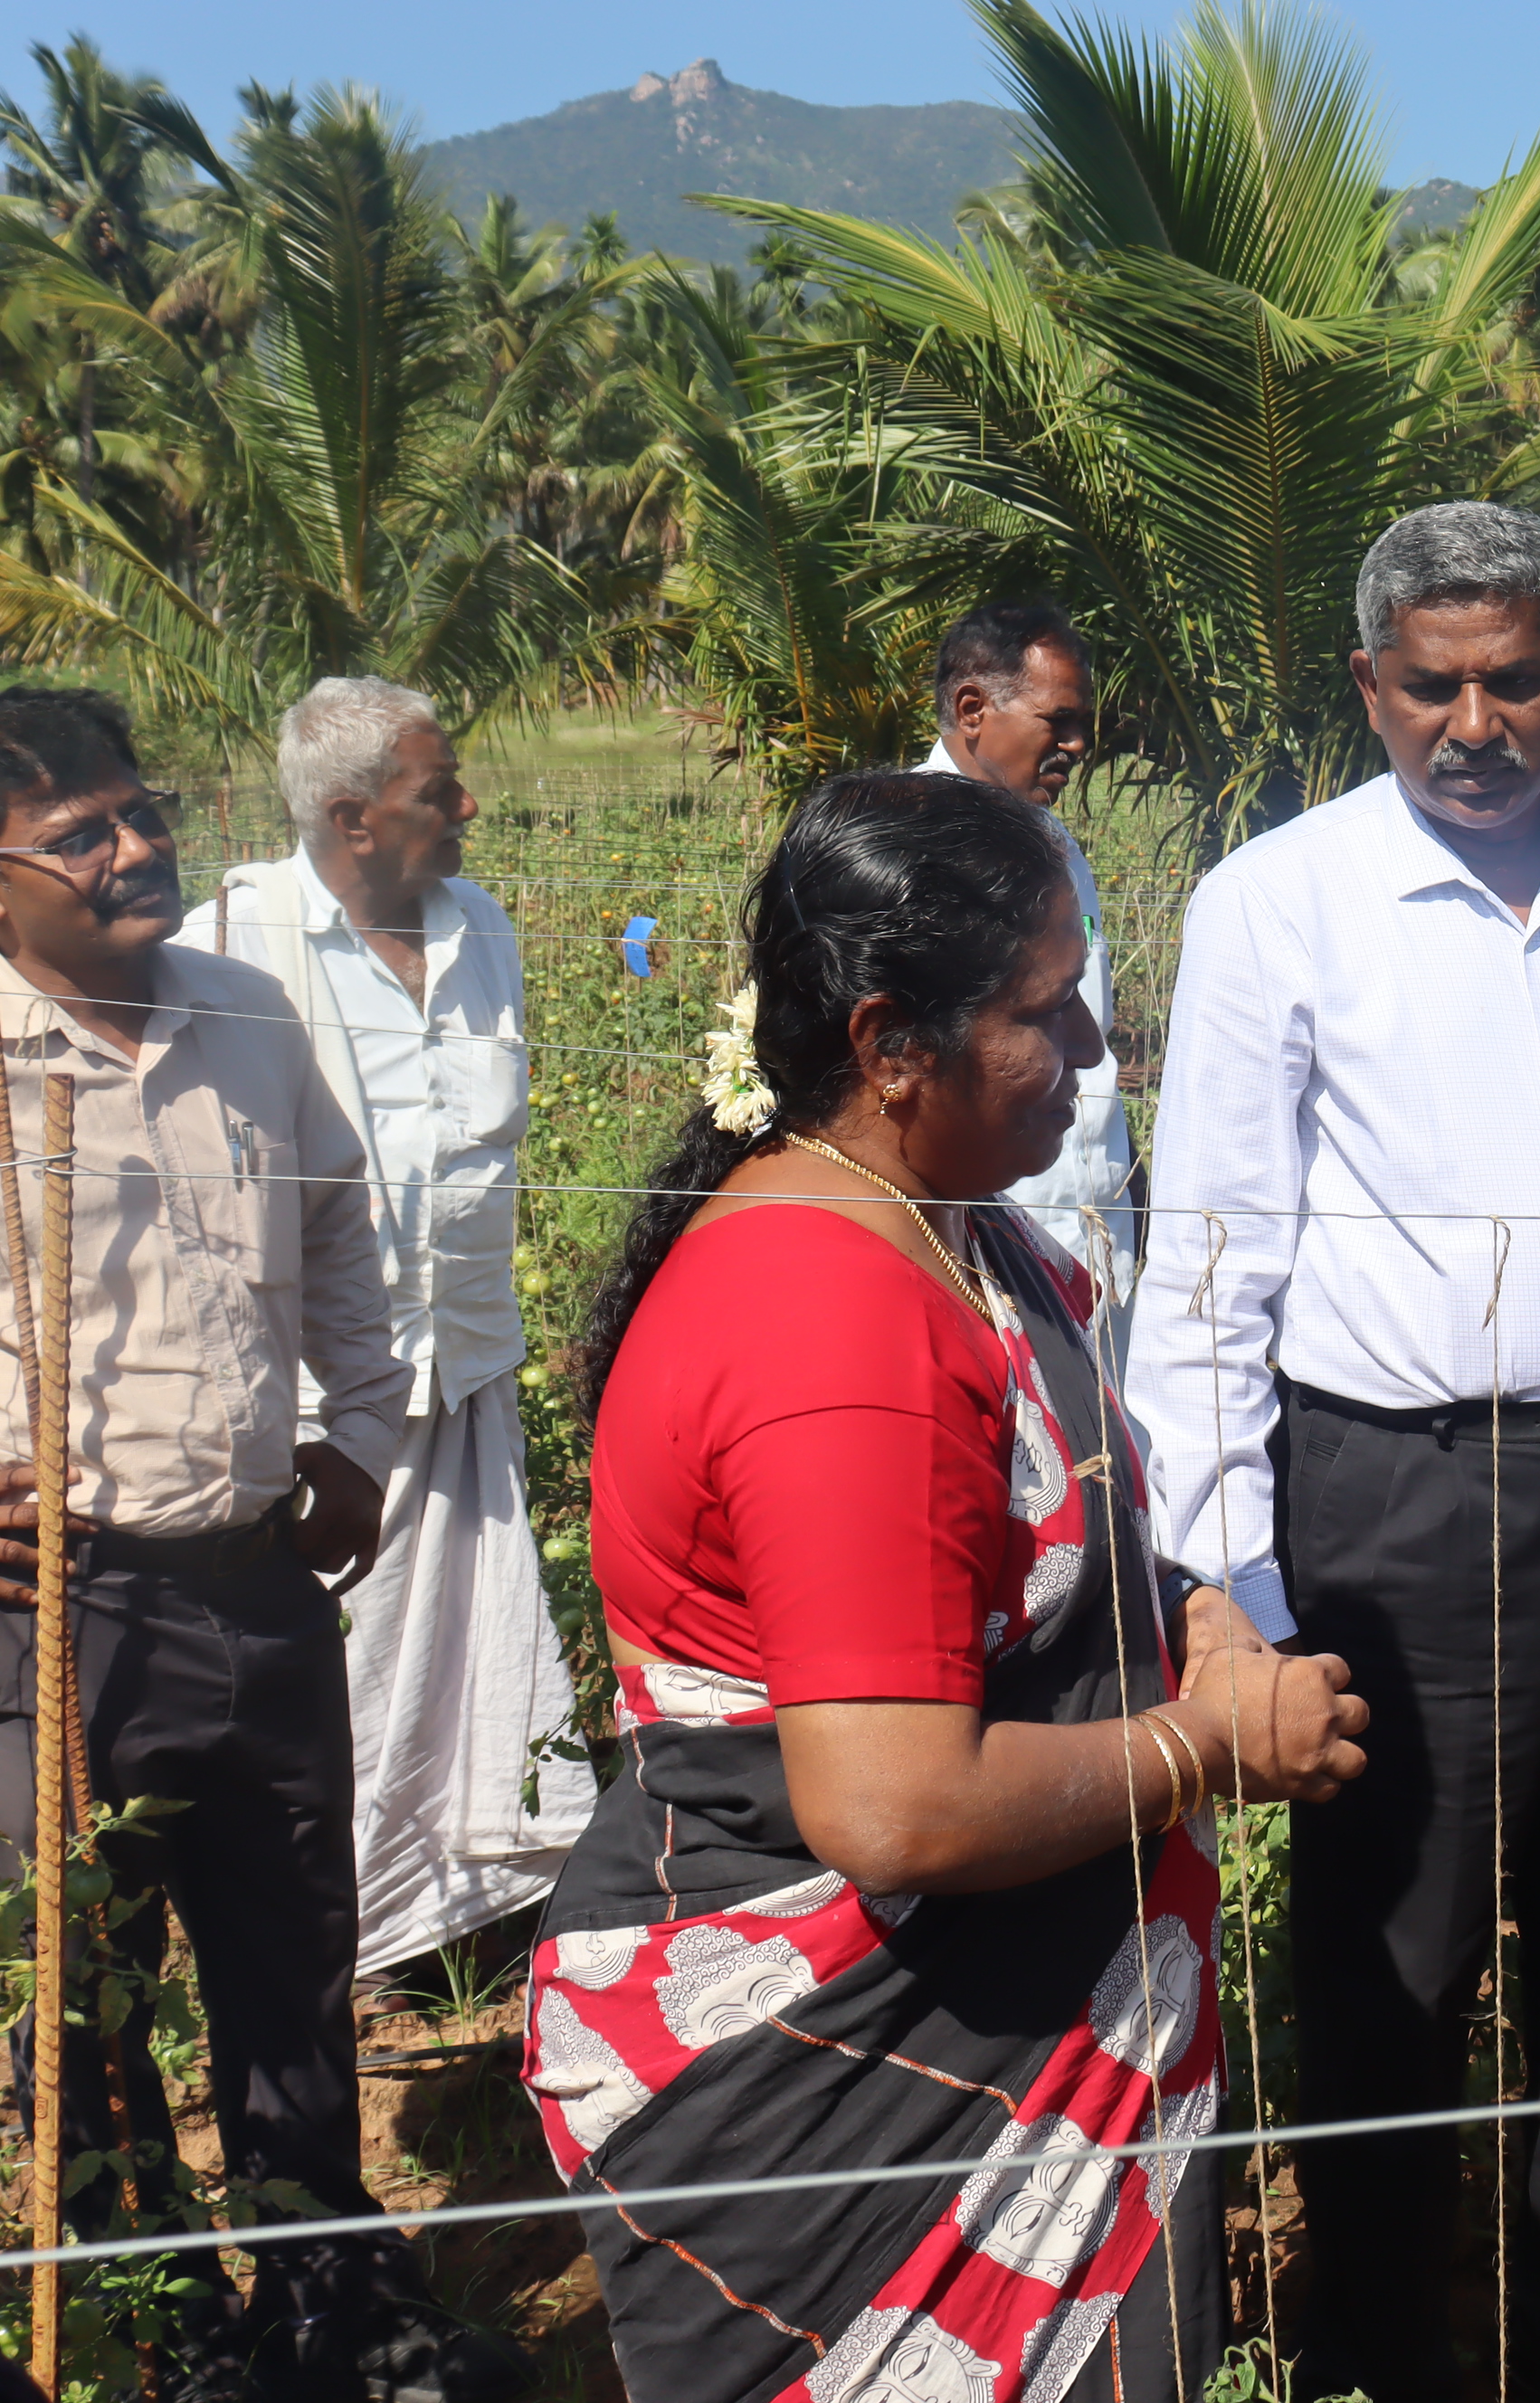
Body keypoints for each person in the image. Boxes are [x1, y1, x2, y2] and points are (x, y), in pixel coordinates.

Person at [525, 772, 1367, 2402]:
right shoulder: (833, 1329)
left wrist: (1185, 1615)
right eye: (1046, 1015)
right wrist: (1207, 1745)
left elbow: (1035, 1539)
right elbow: (896, 1807)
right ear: (889, 1044)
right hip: (857, 2074)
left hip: (978, 2021)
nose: (1096, 1053)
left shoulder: (927, 1226)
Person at [1134, 501, 1540, 2403]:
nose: (1473, 725)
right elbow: (1209, 1262)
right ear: (1370, 684)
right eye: (1432, 686)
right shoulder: (1280, 903)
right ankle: (1389, 2344)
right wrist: (1232, 1582)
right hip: (1398, 1498)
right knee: (1394, 1947)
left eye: (1513, 682)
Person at [0, 688, 525, 2402]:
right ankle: (161, 2324)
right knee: (85, 1993)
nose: (134, 848)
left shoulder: (244, 1016)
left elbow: (345, 1241)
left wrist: (359, 1439)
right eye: (78, 835)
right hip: (57, 1607)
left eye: (139, 810)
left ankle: (333, 2304)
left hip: (258, 1574)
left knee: (291, 1956)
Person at [185, 676, 594, 1978]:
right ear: (353, 819)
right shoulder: (228, 944)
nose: (467, 807)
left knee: (472, 1669)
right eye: (437, 791)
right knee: (330, 1681)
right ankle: (328, 1943)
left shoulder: (484, 931)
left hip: (464, 1367)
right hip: (318, 1405)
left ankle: (451, 1926)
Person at [920, 600, 1138, 1305]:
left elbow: (1087, 1038)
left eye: (1083, 723)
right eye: (1058, 720)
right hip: (980, 1233)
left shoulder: (1055, 842)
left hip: (1095, 1217)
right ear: (973, 709)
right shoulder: (906, 851)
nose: (1077, 744)